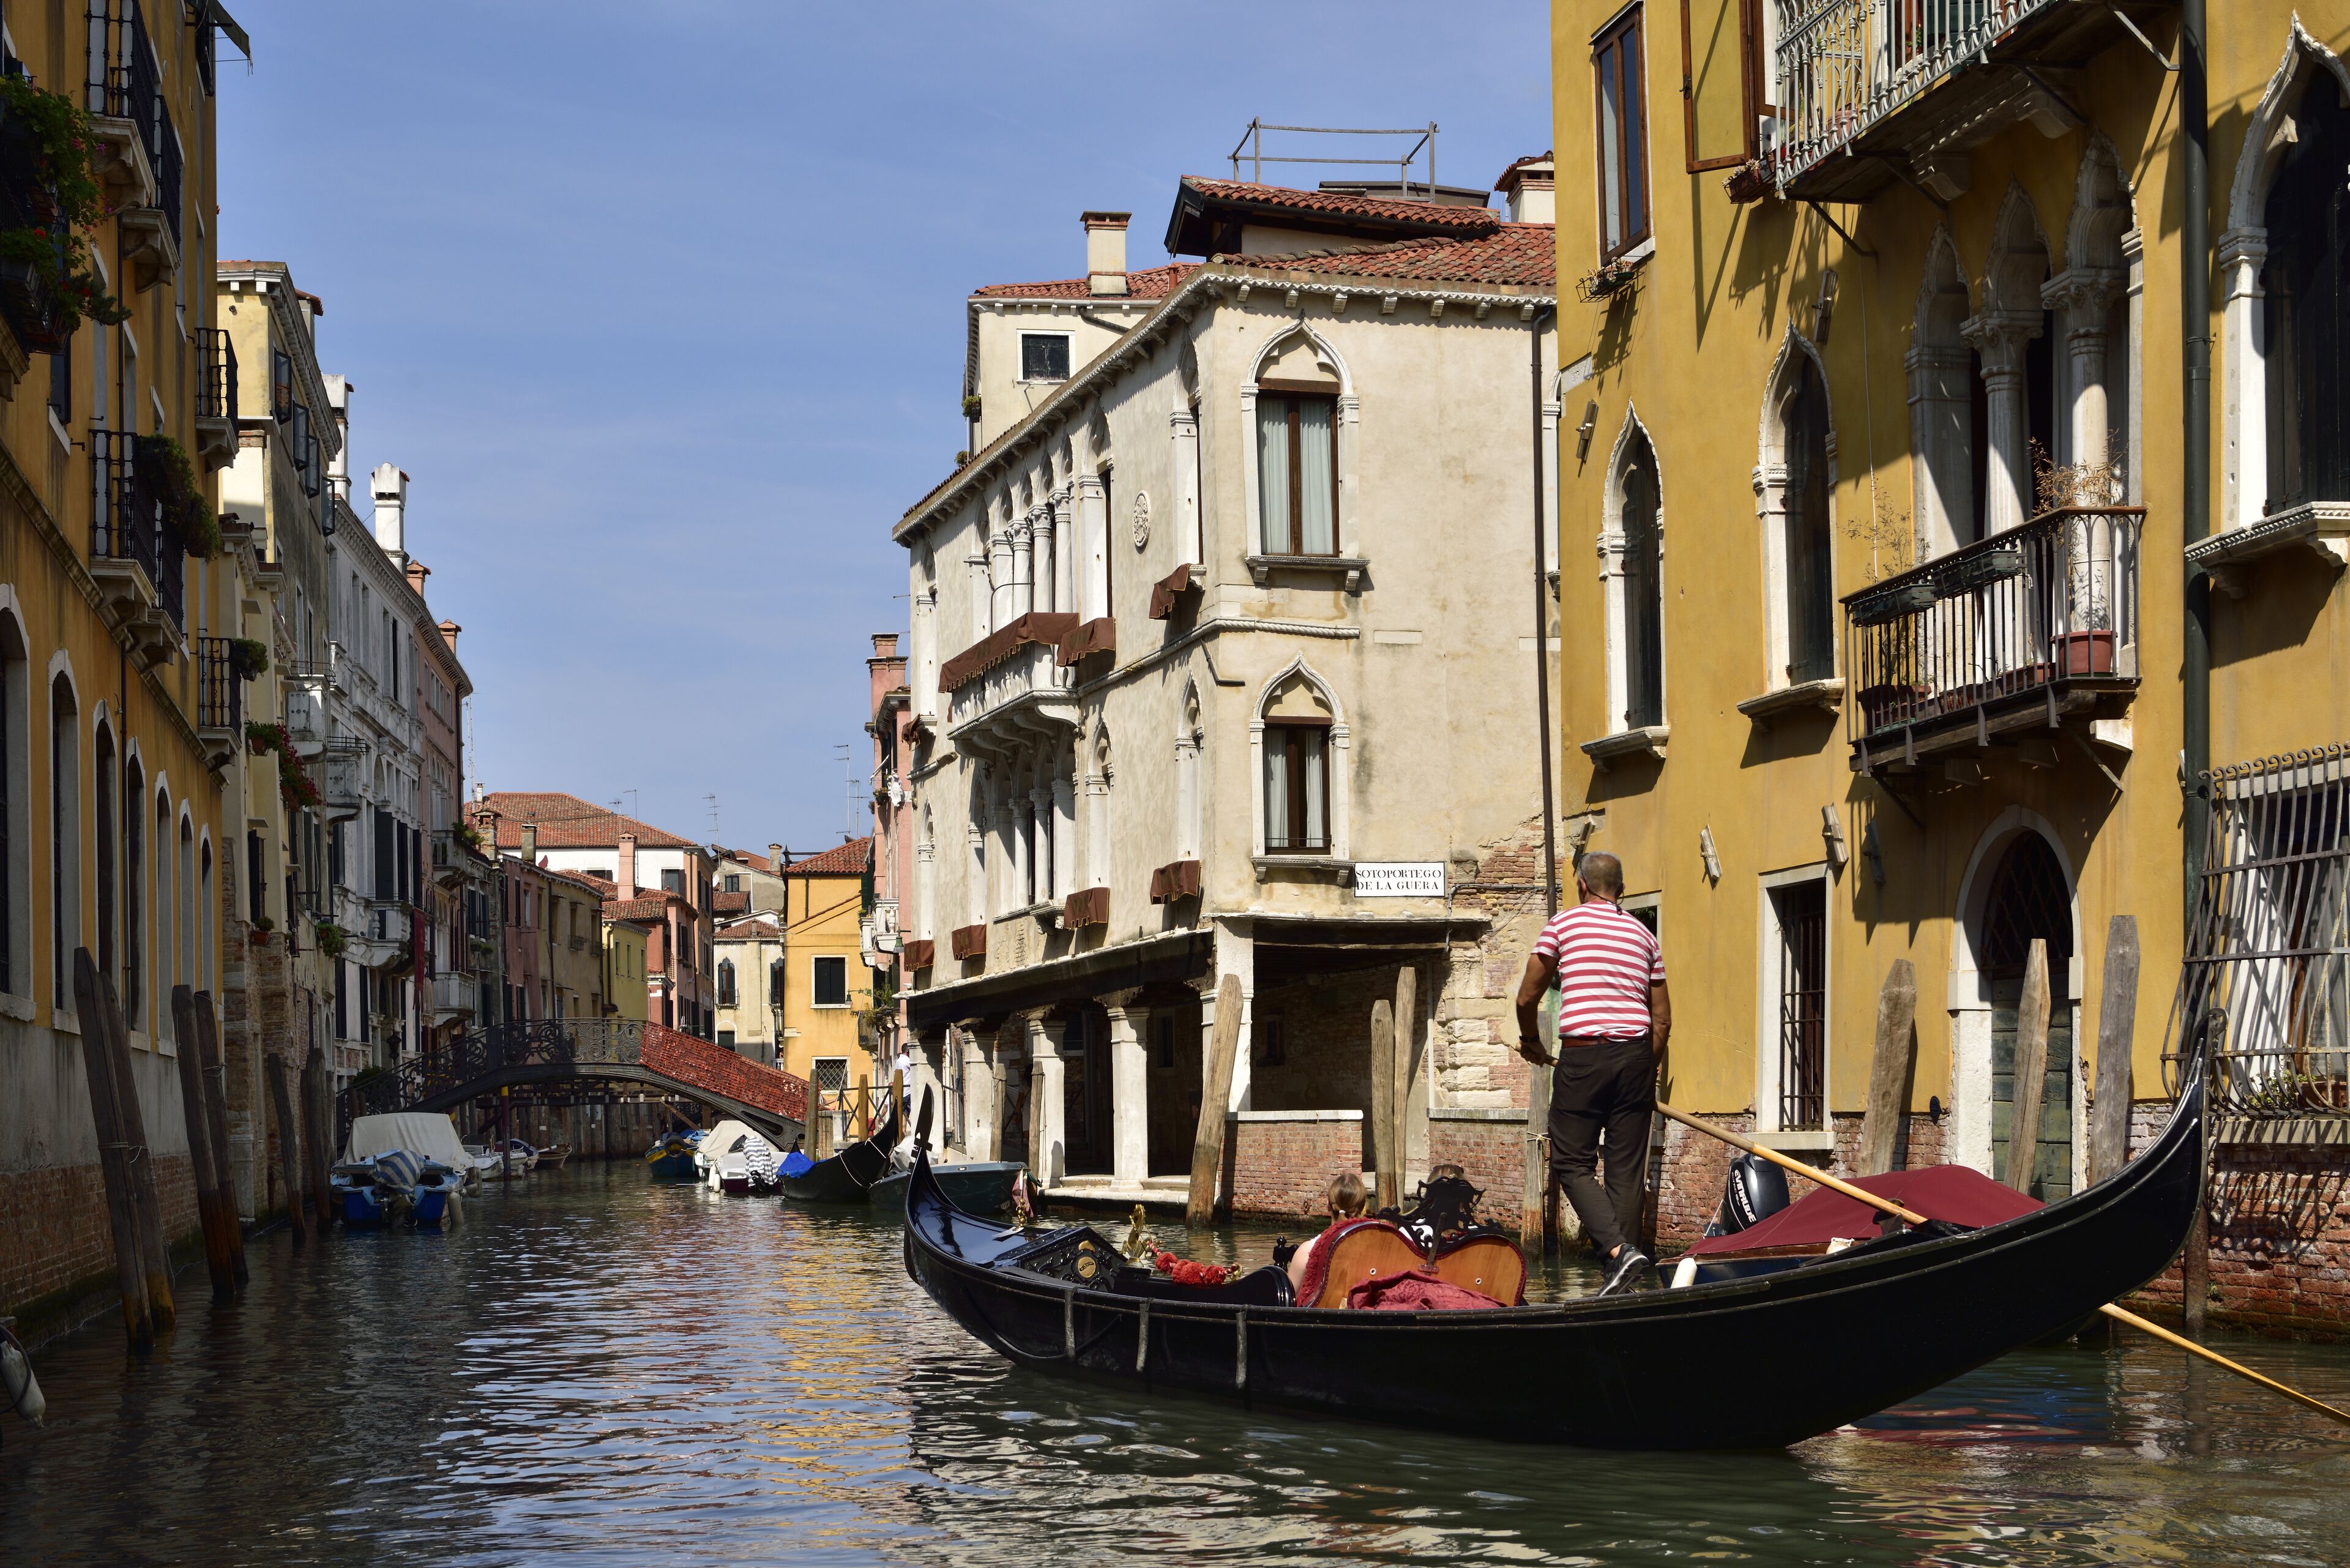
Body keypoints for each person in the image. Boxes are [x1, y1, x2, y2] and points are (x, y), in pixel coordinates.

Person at [1513, 851, 1672, 1296]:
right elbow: (1662, 1021)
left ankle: (1619, 1255)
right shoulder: (1645, 936)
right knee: (1625, 1171)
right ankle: (1619, 1279)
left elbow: (1527, 997)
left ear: (1582, 885)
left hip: (1584, 1058)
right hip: (1637, 1057)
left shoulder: (1562, 925)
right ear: (1621, 889)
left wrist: (1531, 1042)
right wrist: (1644, 1067)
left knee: (1569, 1160)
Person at [1285, 1171, 1371, 1296]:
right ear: (1363, 1207)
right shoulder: (1375, 1249)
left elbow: (1287, 1306)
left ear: (1328, 1205)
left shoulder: (1306, 1252)